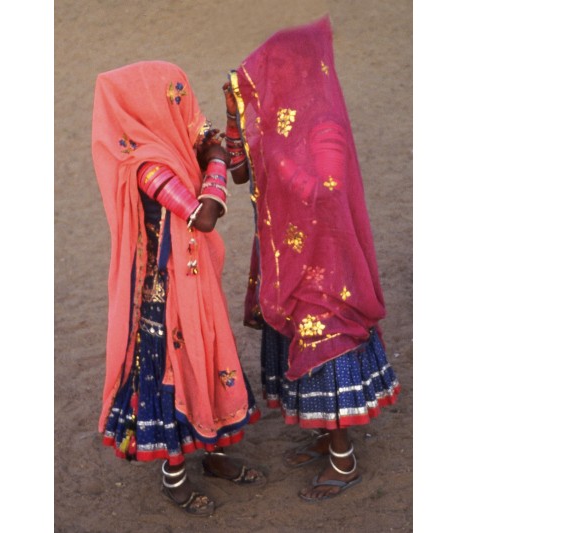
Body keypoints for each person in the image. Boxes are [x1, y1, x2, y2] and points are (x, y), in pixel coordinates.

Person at [222, 16, 401, 502]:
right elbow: (240, 176)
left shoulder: (322, 122)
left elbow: (329, 191)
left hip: (325, 268)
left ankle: (344, 461)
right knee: (296, 345)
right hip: (292, 259)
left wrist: (278, 161)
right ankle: (325, 438)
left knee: (324, 346)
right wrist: (237, 121)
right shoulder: (285, 121)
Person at [91, 61, 264, 517]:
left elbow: (207, 137)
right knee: (171, 373)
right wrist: (217, 166)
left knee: (207, 356)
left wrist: (213, 152)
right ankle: (175, 478)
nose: (183, 105)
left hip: (193, 281)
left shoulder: (169, 143)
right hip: (163, 299)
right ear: (149, 109)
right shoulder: (146, 165)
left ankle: (214, 455)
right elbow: (203, 215)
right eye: (173, 98)